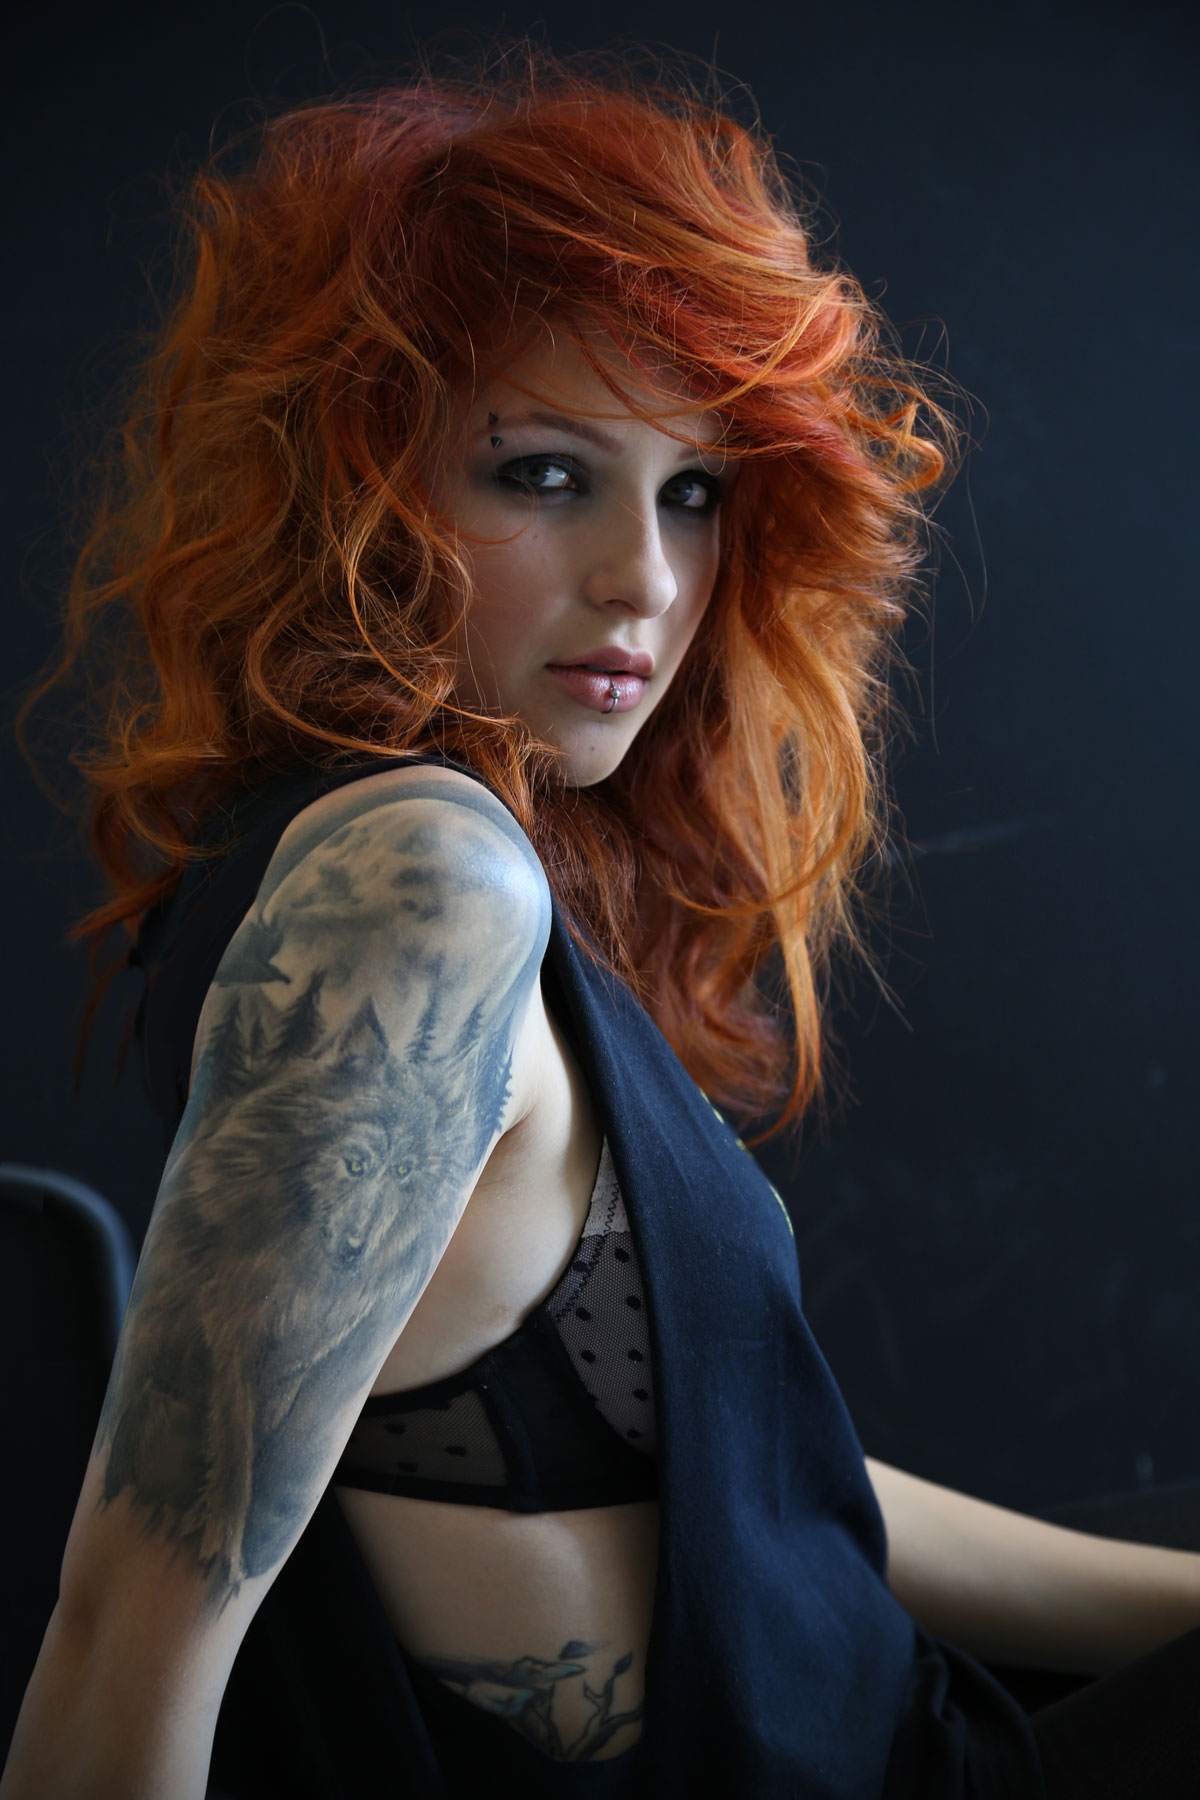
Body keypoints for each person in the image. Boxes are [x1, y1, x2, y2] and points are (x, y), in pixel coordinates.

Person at [4, 44, 1200, 1800]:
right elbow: (128, 1630)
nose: (646, 575)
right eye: (546, 473)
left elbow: (767, 1480)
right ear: (362, 480)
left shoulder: (423, 860)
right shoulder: (420, 892)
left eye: (693, 490)